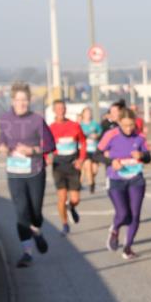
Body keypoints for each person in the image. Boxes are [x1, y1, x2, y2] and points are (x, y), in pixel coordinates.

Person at [0, 82, 55, 268]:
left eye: (25, 100)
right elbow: (2, 141)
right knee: (21, 211)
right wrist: (2, 147)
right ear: (12, 101)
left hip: (35, 170)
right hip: (15, 172)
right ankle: (27, 253)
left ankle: (37, 230)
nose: (21, 103)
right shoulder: (5, 119)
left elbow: (49, 145)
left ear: (29, 101)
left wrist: (32, 150)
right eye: (18, 100)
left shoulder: (37, 120)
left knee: (36, 212)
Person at [100, 107, 151, 260]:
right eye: (125, 125)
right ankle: (115, 229)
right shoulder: (111, 135)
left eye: (131, 125)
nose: (129, 129)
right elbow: (96, 154)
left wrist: (141, 155)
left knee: (135, 215)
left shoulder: (140, 137)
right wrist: (111, 161)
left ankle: (127, 247)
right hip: (116, 179)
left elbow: (148, 158)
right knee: (123, 214)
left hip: (136, 179)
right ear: (119, 123)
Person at [48, 99, 87, 235]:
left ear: (65, 110)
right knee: (62, 197)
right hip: (58, 165)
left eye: (63, 108)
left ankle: (71, 207)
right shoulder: (51, 128)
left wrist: (81, 159)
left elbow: (83, 142)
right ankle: (64, 224)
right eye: (58, 108)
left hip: (73, 164)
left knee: (75, 199)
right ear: (54, 110)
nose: (61, 110)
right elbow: (45, 146)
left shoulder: (75, 125)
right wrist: (46, 157)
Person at [78, 107, 102, 194]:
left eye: (89, 113)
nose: (88, 114)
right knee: (88, 166)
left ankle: (91, 179)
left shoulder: (95, 124)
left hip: (94, 149)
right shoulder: (80, 125)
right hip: (84, 149)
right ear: (83, 114)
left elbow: (100, 133)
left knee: (94, 170)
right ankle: (91, 185)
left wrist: (97, 136)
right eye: (86, 113)